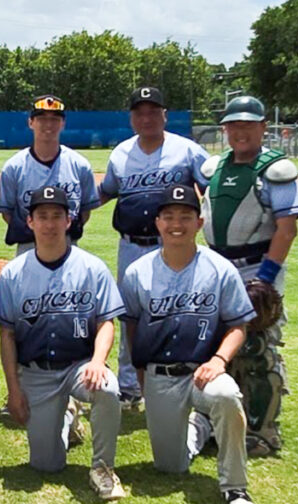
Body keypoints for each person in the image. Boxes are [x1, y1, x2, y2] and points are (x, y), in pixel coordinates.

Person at [119, 183, 257, 504]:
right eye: (168, 216)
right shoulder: (138, 273)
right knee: (171, 466)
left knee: (226, 395)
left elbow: (238, 325)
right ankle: (201, 426)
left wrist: (219, 360)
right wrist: (141, 377)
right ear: (157, 223)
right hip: (160, 375)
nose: (176, 224)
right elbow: (132, 330)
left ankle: (234, 485)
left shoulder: (220, 269)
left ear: (199, 222)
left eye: (185, 216)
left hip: (203, 372)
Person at [0, 186, 126, 501]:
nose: (50, 223)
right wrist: (14, 390)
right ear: (30, 222)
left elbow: (106, 322)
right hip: (36, 372)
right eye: (42, 216)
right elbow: (7, 335)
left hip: (80, 365)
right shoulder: (13, 274)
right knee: (46, 465)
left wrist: (98, 361)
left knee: (107, 388)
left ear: (69, 221)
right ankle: (67, 417)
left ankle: (103, 468)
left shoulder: (91, 267)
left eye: (57, 216)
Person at [200, 95, 298, 456]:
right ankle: (225, 424)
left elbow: (286, 230)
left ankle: (262, 431)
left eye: (248, 125)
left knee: (257, 349)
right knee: (221, 347)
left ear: (263, 127)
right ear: (225, 129)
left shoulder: (275, 170)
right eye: (233, 125)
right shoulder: (214, 168)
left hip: (256, 265)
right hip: (220, 268)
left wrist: (265, 278)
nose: (240, 132)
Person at [98, 87, 210, 410]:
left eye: (153, 111)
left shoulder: (187, 151)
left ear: (165, 115)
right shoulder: (121, 154)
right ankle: (130, 386)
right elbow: (106, 191)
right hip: (131, 245)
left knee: (180, 310)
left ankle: (184, 379)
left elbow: (211, 187)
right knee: (130, 313)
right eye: (139, 112)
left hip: (173, 245)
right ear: (131, 118)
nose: (146, 118)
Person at [0, 94, 97, 255]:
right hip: (28, 248)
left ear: (63, 123)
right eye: (42, 119)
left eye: (55, 119)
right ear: (31, 122)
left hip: (68, 246)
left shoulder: (80, 165)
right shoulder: (13, 167)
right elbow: (7, 212)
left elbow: (85, 210)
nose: (48, 124)